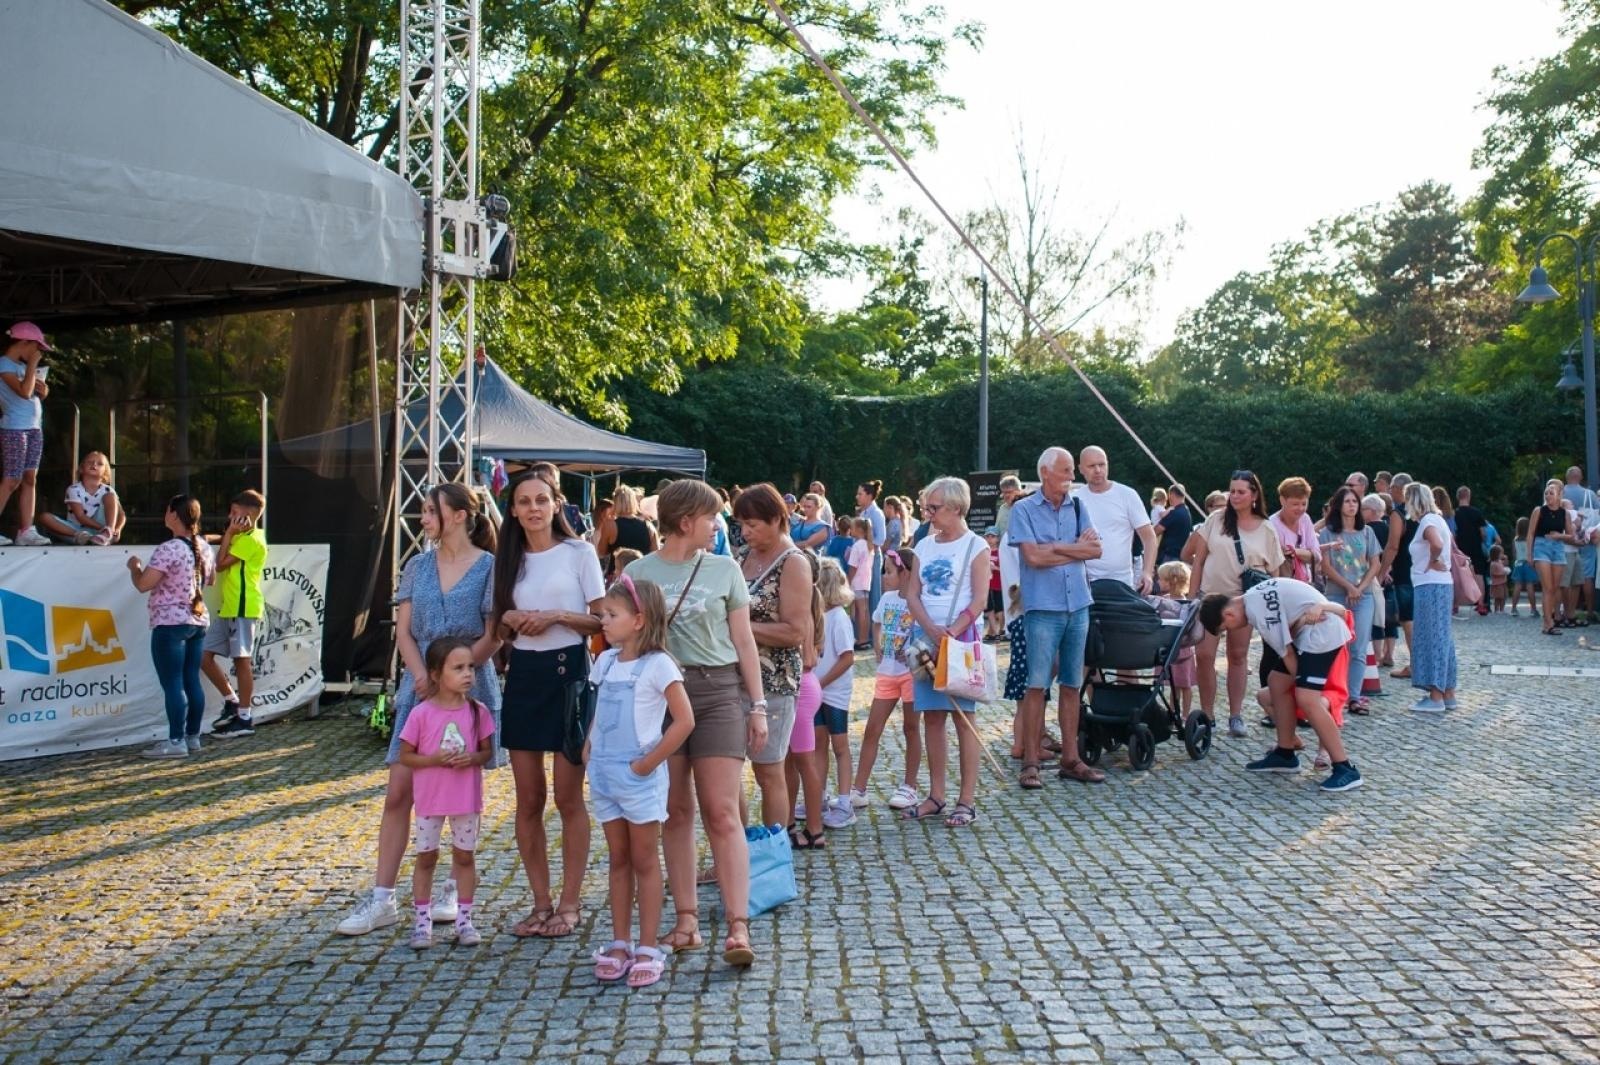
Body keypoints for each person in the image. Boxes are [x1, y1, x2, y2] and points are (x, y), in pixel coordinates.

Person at [336, 484, 500, 936]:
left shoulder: (488, 567)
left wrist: (460, 671)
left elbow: (494, 632)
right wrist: (425, 676)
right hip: (421, 688)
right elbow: (404, 631)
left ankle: (451, 888)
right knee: (399, 791)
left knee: (460, 791)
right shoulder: (417, 566)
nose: (424, 519)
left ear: (461, 515)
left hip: (469, 686)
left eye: (432, 511)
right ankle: (383, 897)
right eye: (424, 511)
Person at [625, 479, 766, 966]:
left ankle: (738, 925)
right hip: (660, 697)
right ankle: (685, 921)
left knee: (722, 812)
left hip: (717, 693)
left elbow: (745, 642)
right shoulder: (638, 571)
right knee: (675, 812)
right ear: (686, 521)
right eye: (711, 517)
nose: (718, 525)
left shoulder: (725, 569)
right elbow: (626, 639)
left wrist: (759, 706)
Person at [493, 470, 605, 940]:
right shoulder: (507, 560)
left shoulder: (579, 553)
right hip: (524, 675)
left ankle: (570, 902)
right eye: (524, 501)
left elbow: (602, 619)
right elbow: (498, 627)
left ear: (556, 504)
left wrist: (559, 616)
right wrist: (511, 619)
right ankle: (540, 903)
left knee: (567, 797)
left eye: (542, 499)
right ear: (514, 511)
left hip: (570, 675)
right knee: (529, 799)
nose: (534, 508)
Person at [585, 575, 695, 988]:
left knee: (645, 859)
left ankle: (648, 944)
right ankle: (620, 941)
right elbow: (600, 710)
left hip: (637, 776)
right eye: (603, 615)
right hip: (604, 774)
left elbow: (684, 721)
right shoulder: (606, 661)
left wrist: (647, 764)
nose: (604, 622)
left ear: (638, 620)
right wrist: (589, 743)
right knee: (618, 858)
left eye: (612, 615)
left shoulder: (659, 665)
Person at [1200, 578, 1363, 793]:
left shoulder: (1259, 613)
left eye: (1225, 629)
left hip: (1322, 634)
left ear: (1229, 615)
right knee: (1276, 682)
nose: (1230, 631)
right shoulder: (1253, 595)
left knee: (1307, 698)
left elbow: (1288, 656)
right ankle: (1285, 752)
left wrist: (1304, 685)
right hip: (1314, 631)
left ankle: (1345, 768)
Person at [1008, 447, 1102, 790]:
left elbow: (1096, 550)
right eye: (1065, 471)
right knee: (1036, 686)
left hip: (1078, 604)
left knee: (1073, 685)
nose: (1072, 477)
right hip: (1042, 608)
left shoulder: (1078, 506)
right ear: (1046, 472)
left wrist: (1056, 548)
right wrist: (1073, 547)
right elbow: (1032, 557)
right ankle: (1031, 762)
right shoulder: (1023, 509)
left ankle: (1071, 759)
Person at [901, 476, 991, 826]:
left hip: (963, 641)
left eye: (934, 508)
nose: (928, 514)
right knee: (932, 718)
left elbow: (980, 598)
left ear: (956, 508)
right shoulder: (924, 544)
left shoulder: (976, 546)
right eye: (926, 507)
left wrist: (952, 632)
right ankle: (936, 795)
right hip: (925, 640)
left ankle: (966, 800)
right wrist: (929, 628)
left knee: (964, 719)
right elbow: (912, 594)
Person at [397, 637, 496, 950]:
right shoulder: (421, 714)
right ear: (437, 674)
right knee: (427, 857)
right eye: (458, 668)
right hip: (430, 799)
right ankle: (422, 921)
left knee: (464, 857)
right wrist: (433, 761)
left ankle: (464, 919)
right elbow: (405, 756)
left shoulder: (478, 712)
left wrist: (473, 759)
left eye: (470, 667)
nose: (468, 674)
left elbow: (486, 752)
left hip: (465, 798)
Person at [732, 483, 810, 836]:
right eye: (742, 524)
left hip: (773, 681)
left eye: (753, 524)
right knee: (726, 772)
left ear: (778, 519)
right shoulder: (740, 558)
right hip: (730, 678)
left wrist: (740, 627)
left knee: (768, 771)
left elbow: (794, 632)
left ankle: (772, 857)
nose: (746, 532)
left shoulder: (793, 562)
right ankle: (734, 853)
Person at [1190, 471, 1287, 738]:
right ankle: (1207, 714)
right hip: (1210, 598)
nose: (1234, 496)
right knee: (1205, 656)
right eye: (1232, 491)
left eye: (1241, 491)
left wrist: (1272, 605)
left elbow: (1275, 571)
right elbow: (1198, 560)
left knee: (1237, 656)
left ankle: (1235, 714)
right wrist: (1191, 597)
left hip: (1245, 602)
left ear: (1254, 495)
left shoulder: (1266, 528)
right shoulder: (1215, 520)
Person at [127, 495, 215, 759]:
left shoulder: (169, 548)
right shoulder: (204, 546)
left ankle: (175, 740)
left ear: (174, 515)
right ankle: (193, 736)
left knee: (173, 683)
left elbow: (144, 584)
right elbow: (209, 581)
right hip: (197, 620)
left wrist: (135, 568)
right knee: (191, 681)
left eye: (167, 510)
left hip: (170, 623)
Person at [849, 546, 923, 810]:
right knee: (872, 729)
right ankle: (858, 788)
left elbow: (925, 631)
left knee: (911, 728)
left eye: (889, 571)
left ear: (906, 573)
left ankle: (910, 786)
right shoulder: (887, 599)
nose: (884, 576)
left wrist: (913, 651)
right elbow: (877, 621)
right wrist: (878, 646)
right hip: (887, 673)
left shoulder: (918, 600)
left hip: (911, 675)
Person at [204, 490, 268, 738]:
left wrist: (229, 534)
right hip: (230, 607)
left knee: (242, 661)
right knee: (204, 657)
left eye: (234, 512)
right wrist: (224, 535)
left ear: (247, 514)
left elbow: (219, 565)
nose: (230, 516)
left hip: (243, 606)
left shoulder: (250, 539)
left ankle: (244, 718)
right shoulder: (245, 536)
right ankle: (231, 701)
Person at [1317, 486, 1381, 716]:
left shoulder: (1367, 533)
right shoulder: (1328, 534)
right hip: (1336, 593)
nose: (1352, 505)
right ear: (1338, 505)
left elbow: (1375, 563)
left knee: (1359, 647)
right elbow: (1325, 567)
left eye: (1355, 501)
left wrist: (1360, 588)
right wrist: (1348, 587)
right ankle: (1335, 694)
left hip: (1363, 596)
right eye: (1347, 501)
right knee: (1336, 646)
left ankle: (1354, 696)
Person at [809, 559, 856, 829]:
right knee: (818, 745)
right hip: (819, 691)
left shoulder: (838, 618)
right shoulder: (821, 616)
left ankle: (845, 801)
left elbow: (847, 658)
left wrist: (822, 682)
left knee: (839, 746)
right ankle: (821, 797)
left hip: (834, 693)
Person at [1406, 482, 1459, 712]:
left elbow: (1436, 544)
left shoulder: (1427, 521)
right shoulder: (1439, 520)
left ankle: (1436, 695)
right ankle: (1448, 692)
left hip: (1429, 584)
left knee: (1433, 636)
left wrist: (1433, 560)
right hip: (1442, 584)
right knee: (1444, 637)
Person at [0, 323, 55, 546]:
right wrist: (32, 365)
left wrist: (43, 391)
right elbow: (23, 392)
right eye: (35, 347)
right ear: (24, 343)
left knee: (29, 478)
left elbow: (31, 392)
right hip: (14, 427)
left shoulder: (22, 367)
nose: (36, 352)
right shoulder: (4, 364)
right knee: (11, 479)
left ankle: (26, 530)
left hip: (33, 427)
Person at [1074, 445, 1155, 592]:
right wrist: (1077, 545)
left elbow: (1149, 537)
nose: (1098, 470)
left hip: (1122, 582)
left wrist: (1147, 572)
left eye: (1102, 464)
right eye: (1092, 466)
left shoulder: (1127, 495)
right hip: (1085, 584)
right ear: (1081, 469)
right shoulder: (1075, 499)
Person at [38, 451, 123, 545]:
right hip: (78, 530)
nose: (94, 464)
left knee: (110, 496)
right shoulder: (74, 489)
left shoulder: (108, 490)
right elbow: (81, 517)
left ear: (105, 472)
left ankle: (107, 533)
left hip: (103, 530)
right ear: (82, 468)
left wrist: (117, 529)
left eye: (100, 464)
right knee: (44, 517)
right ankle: (86, 538)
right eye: (90, 462)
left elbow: (122, 515)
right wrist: (102, 528)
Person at [1528, 479, 1576, 636]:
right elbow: (1531, 533)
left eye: (1551, 493)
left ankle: (1552, 619)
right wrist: (1529, 554)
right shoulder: (1539, 511)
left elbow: (1571, 536)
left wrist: (1559, 536)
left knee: (1555, 589)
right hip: (1541, 547)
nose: (1548, 496)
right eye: (1546, 493)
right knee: (1547, 587)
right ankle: (1547, 622)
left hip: (1558, 548)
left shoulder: (1565, 513)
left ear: (1559, 495)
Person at [1155, 561, 1196, 715]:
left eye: (1161, 579)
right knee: (1174, 684)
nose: (1158, 581)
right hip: (1168, 647)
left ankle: (1185, 714)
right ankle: (1173, 713)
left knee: (1184, 684)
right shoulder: (1162, 600)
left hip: (1182, 649)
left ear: (1172, 582)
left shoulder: (1185, 604)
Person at [1563, 466, 1598, 624]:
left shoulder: (1560, 492)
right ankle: (1590, 611)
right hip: (1587, 540)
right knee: (1587, 576)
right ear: (1581, 477)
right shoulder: (1589, 494)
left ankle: (1566, 611)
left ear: (1567, 477)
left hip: (1565, 540)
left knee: (1566, 577)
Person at [1271, 478, 1319, 585]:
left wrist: (1294, 551)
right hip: (1283, 585)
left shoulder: (1305, 519)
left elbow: (1317, 556)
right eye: (1295, 504)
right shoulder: (1271, 525)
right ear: (1282, 500)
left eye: (1304, 504)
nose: (1300, 508)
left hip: (1306, 583)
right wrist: (1305, 553)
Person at [600, 486, 658, 572]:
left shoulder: (610, 525)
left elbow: (601, 551)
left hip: (618, 575)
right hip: (642, 576)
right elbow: (656, 555)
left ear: (615, 502)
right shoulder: (649, 526)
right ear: (633, 502)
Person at [1454, 486, 1490, 615]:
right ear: (1469, 496)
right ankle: (1481, 604)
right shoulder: (1476, 512)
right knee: (1479, 574)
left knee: (1457, 575)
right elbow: (1483, 533)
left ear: (1458, 497)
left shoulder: (1454, 513)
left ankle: (1455, 604)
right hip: (1475, 546)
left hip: (1459, 547)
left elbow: (1453, 532)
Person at [857, 480, 888, 618]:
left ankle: (874, 632)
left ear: (869, 496)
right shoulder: (863, 513)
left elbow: (880, 539)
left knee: (873, 593)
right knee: (862, 593)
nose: (857, 496)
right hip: (862, 558)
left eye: (860, 494)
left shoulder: (876, 513)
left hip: (872, 557)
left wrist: (865, 545)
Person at [846, 516, 874, 648]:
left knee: (859, 611)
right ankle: (865, 637)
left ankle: (861, 639)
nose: (850, 530)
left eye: (852, 528)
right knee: (865, 610)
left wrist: (848, 581)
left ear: (858, 529)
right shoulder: (868, 545)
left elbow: (853, 566)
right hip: (866, 581)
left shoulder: (857, 546)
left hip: (857, 581)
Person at [1154, 483, 1193, 567]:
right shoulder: (1187, 512)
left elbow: (1157, 530)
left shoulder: (1174, 513)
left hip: (1169, 556)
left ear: (1171, 495)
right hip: (1180, 556)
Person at [1509, 515, 1538, 617]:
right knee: (1530, 586)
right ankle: (1533, 610)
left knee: (1517, 586)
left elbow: (1514, 553)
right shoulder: (1531, 539)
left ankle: (1513, 608)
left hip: (1518, 563)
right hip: (1528, 563)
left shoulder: (1515, 540)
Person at [982, 526, 1005, 641]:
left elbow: (1005, 570)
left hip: (998, 585)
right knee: (989, 609)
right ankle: (993, 632)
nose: (990, 539)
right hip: (987, 584)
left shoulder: (1001, 552)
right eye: (987, 536)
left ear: (998, 538)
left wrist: (994, 567)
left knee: (999, 610)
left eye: (993, 536)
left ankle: (1002, 630)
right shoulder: (984, 551)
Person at [1489, 545, 1509, 613]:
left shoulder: (1499, 561)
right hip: (1497, 584)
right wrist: (1503, 573)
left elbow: (1506, 564)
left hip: (1503, 582)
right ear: (1496, 554)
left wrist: (1506, 559)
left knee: (1503, 597)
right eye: (1501, 553)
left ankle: (1502, 609)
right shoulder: (1493, 564)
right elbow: (1493, 573)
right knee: (1498, 597)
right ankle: (1496, 609)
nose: (1502, 555)